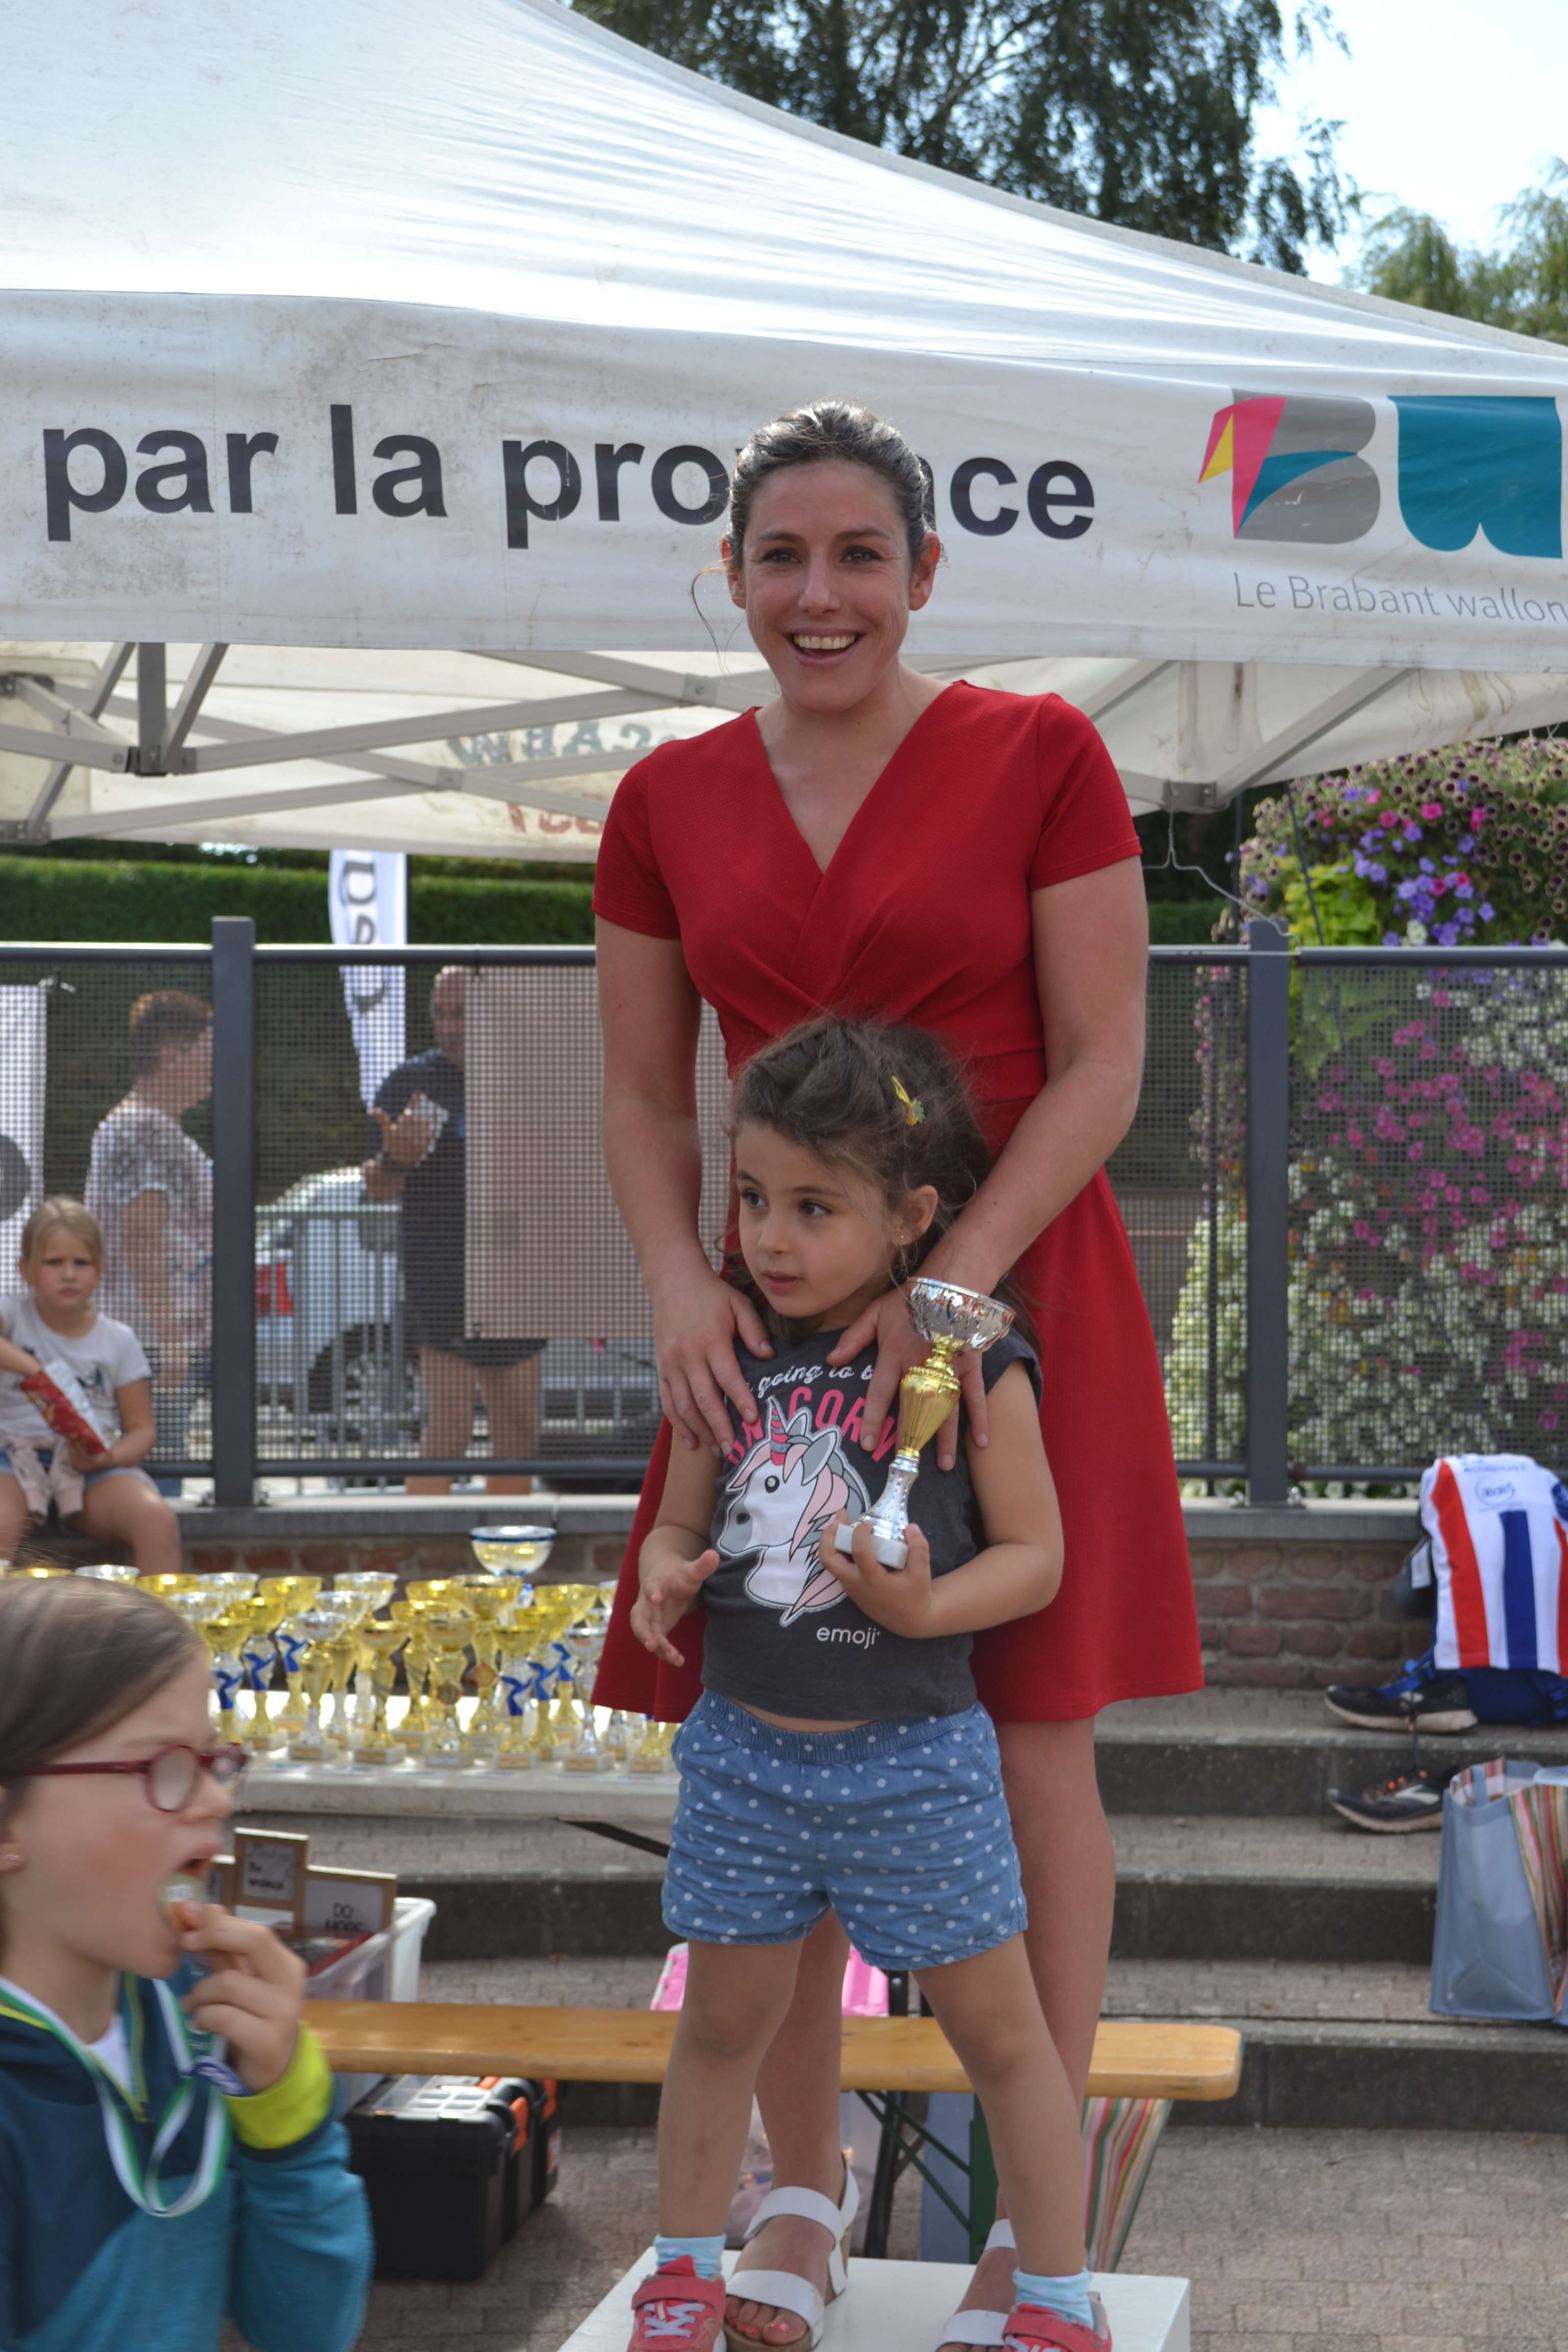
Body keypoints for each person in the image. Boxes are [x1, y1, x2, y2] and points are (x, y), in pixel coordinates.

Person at [591, 399, 1202, 2348]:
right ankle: (796, 2188)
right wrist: (682, 1278)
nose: (820, 592)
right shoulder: (663, 794)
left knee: (1031, 1736)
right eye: (781, 555)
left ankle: (1038, 2223)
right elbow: (641, 1093)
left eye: (859, 553)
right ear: (731, 576)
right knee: (779, 1724)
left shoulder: (1043, 754)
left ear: (925, 571)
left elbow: (1101, 1060)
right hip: (771, 1317)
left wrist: (952, 1283)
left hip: (1012, 1286)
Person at [625, 1018, 1094, 2352]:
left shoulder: (972, 1359)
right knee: (720, 2024)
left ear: (914, 1217)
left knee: (1002, 2042)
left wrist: (928, 1607)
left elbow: (1039, 1559)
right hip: (744, 1761)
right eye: (753, 1198)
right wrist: (664, 1573)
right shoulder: (725, 1352)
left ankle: (1057, 2298)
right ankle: (682, 2274)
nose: (770, 1238)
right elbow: (677, 1520)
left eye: (814, 1207)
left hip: (915, 1764)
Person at [0, 1574, 373, 2352]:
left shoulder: (189, 2012)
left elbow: (307, 2330)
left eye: (213, 1760)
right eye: (161, 1767)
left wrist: (286, 2108)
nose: (216, 1800)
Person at [362, 965, 544, 1495]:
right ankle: (423, 1543)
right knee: (450, 1427)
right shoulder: (410, 1083)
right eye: (440, 1013)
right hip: (442, 1277)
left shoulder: (526, 1078)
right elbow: (375, 1186)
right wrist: (396, 1159)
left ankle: (508, 1545)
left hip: (517, 1278)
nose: (449, 1026)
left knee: (519, 1428)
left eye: (460, 1013)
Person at [0, 1199, 182, 1575]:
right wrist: (34, 1371)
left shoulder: (118, 1339)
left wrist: (107, 1459)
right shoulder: (13, 1315)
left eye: (81, 1263)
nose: (69, 1274)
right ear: (25, 1269)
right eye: (54, 1263)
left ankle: (160, 1616)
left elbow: (142, 1430)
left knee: (156, 1519)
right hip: (11, 1461)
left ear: (100, 1270)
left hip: (89, 1469)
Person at [85, 990, 214, 1492]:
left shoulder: (140, 1125)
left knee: (153, 1471)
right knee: (155, 1479)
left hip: (149, 1338)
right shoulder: (146, 1129)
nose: (215, 1066)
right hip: (151, 1343)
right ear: (171, 1055)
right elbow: (142, 1235)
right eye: (207, 1052)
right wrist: (171, 1343)